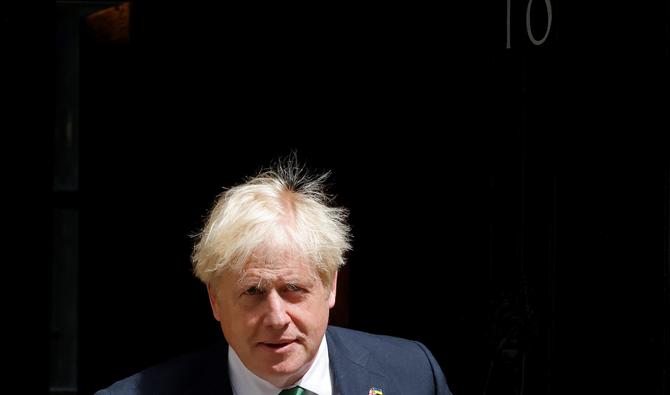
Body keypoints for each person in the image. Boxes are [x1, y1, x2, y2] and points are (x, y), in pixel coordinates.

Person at [96, 157, 453, 395]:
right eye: (252, 291)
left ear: (330, 286)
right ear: (215, 300)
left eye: (294, 288)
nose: (277, 318)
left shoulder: (414, 375)